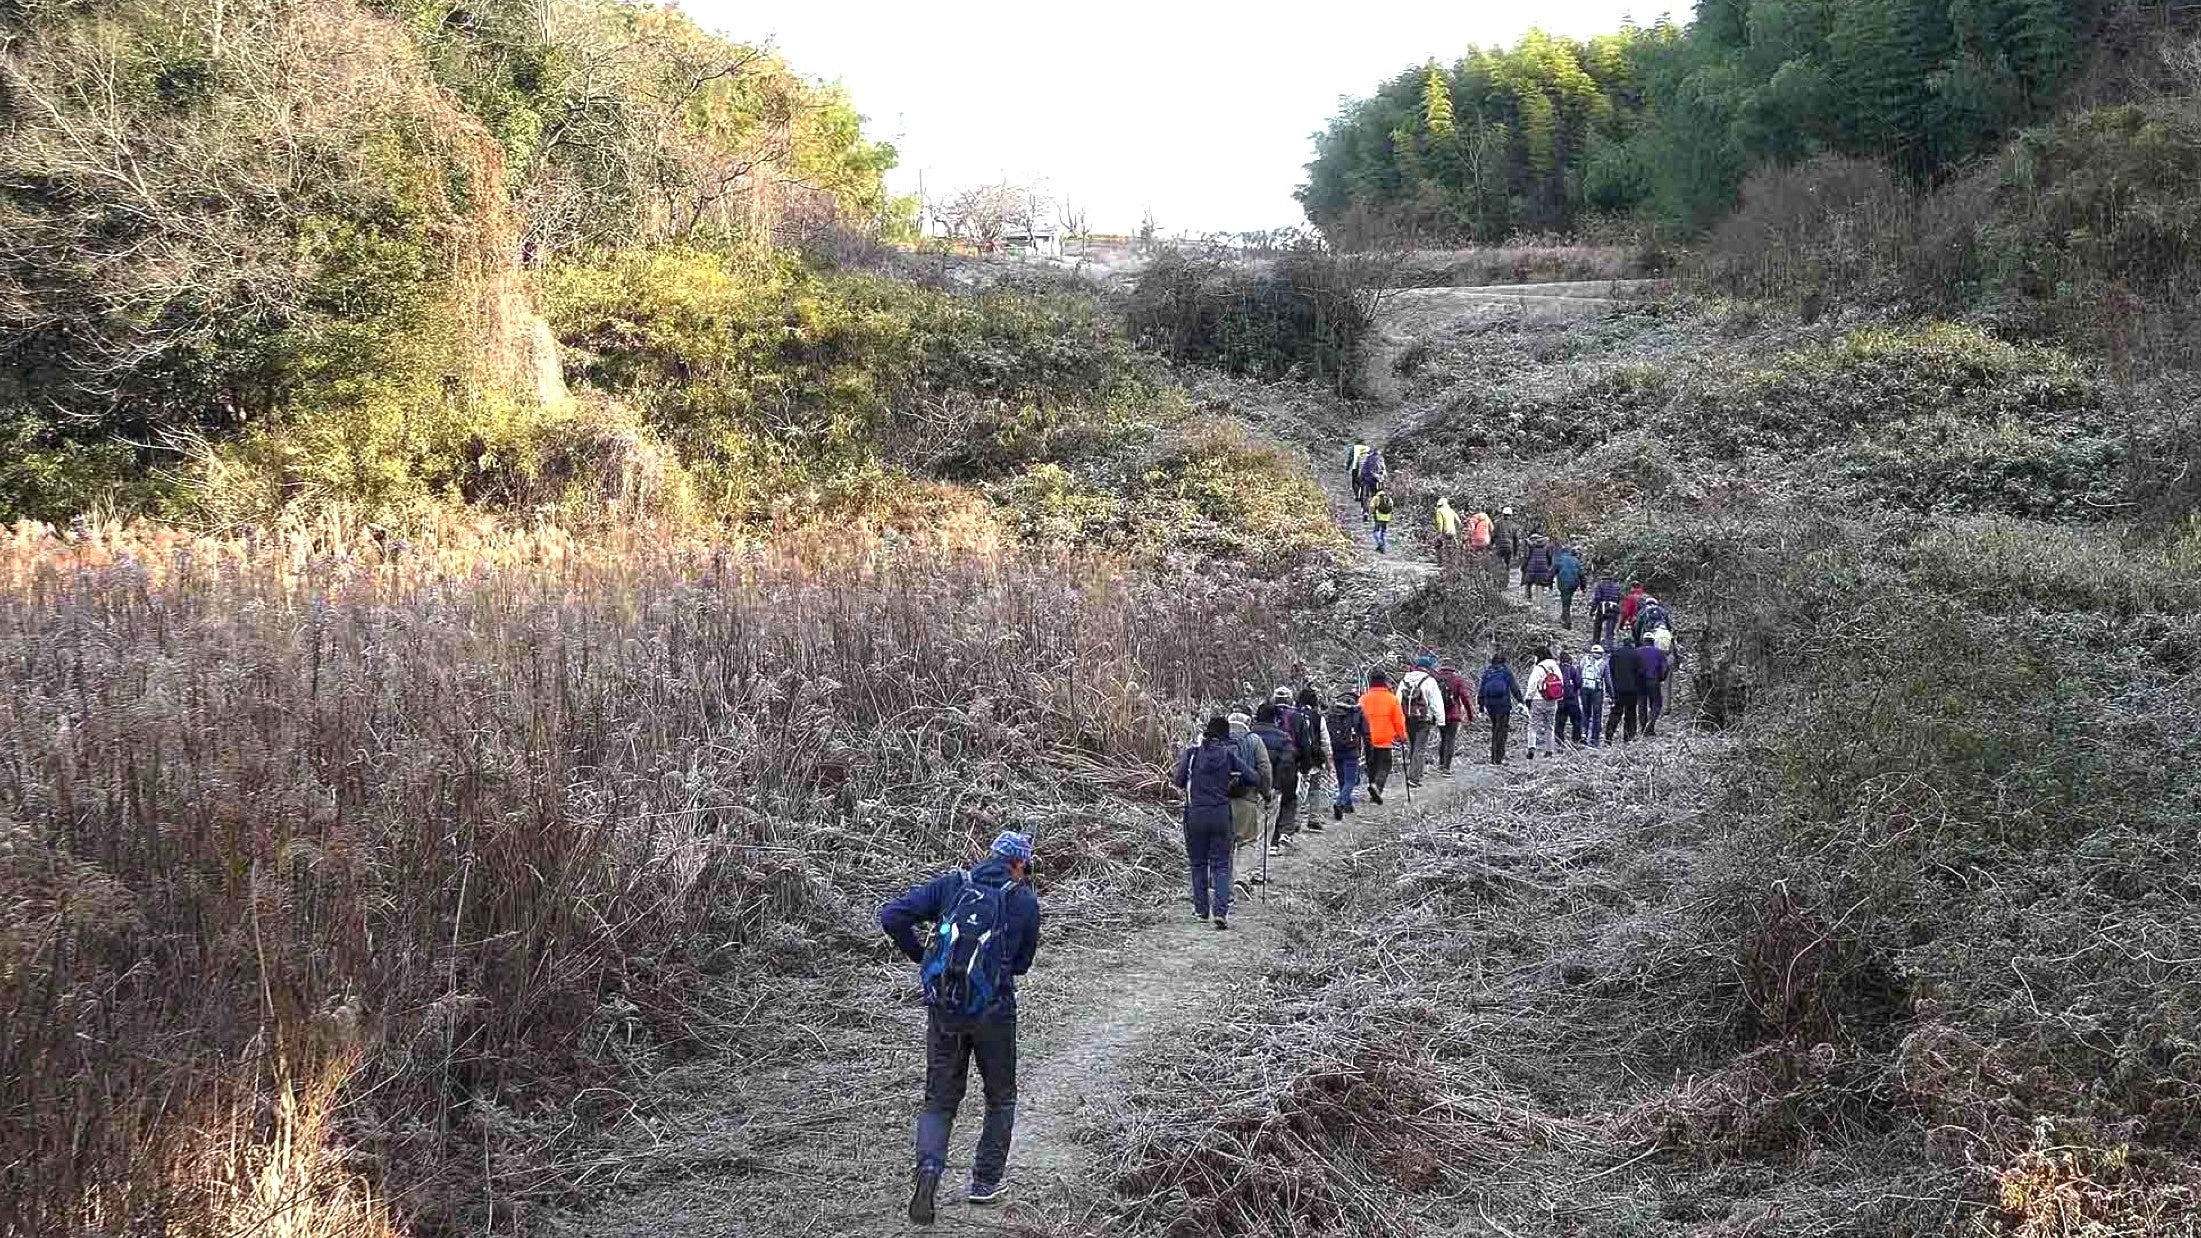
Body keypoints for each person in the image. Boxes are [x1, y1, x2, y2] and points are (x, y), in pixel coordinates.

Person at [882, 831, 1042, 1222]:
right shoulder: (1022, 899)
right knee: (1000, 1097)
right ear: (1018, 864)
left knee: (939, 1100)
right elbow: (1021, 964)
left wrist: (922, 957)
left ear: (990, 856)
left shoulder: (952, 884)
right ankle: (985, 1183)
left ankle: (929, 1171)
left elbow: (891, 916)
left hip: (946, 1011)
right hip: (994, 1012)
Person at [1172, 717, 1255, 930]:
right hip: (1220, 815)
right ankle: (1220, 912)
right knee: (1220, 865)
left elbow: (1178, 781)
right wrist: (1234, 782)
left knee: (1198, 864)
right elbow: (1252, 777)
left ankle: (1201, 910)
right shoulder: (1228, 755)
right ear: (1223, 737)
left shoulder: (1192, 755)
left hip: (1196, 815)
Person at [1226, 713, 1273, 884]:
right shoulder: (1254, 740)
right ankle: (1241, 880)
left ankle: (1218, 880)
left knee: (1223, 841)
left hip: (1217, 799)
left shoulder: (1214, 739)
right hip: (1246, 797)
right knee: (1246, 841)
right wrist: (1266, 794)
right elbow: (1264, 769)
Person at [1251, 703, 1299, 851]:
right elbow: (1287, 764)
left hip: (1248, 787)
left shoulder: (1248, 736)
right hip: (1271, 786)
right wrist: (1278, 786)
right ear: (1276, 719)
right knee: (1268, 823)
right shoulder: (1283, 738)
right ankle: (1268, 849)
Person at [1357, 670, 1407, 803]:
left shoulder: (1363, 699)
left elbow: (1357, 720)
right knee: (1385, 764)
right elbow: (1398, 720)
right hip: (1385, 738)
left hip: (1368, 739)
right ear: (1384, 682)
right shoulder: (1392, 699)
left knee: (1371, 764)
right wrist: (1402, 736)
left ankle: (1373, 784)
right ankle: (1377, 787)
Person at [1397, 655, 1446, 788]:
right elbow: (1436, 703)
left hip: (1408, 717)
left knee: (1413, 745)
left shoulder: (1404, 680)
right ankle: (1414, 777)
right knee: (1420, 747)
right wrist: (1441, 721)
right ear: (1428, 667)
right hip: (1424, 719)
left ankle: (1416, 771)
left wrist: (1399, 719)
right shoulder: (1430, 681)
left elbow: (1397, 701)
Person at [1292, 687, 1333, 833]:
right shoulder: (1317, 717)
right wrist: (1328, 760)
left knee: (1298, 789)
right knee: (1314, 787)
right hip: (1314, 757)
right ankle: (1314, 817)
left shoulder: (1293, 715)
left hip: (1296, 757)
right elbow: (1325, 741)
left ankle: (1295, 819)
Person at [1325, 690, 1368, 822]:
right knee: (1351, 780)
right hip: (1351, 750)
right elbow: (1366, 731)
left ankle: (1347, 804)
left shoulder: (1332, 713)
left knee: (1342, 779)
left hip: (1336, 749)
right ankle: (1340, 803)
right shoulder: (1357, 712)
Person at [1476, 652, 1524, 764]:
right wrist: (1521, 701)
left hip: (1490, 705)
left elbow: (1482, 689)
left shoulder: (1487, 672)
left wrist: (1481, 706)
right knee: (1501, 731)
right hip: (1503, 704)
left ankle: (1493, 757)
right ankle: (1498, 758)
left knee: (1495, 729)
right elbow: (1514, 687)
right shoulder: (1506, 672)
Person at [1434, 659, 1474, 776]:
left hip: (1439, 714)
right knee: (1450, 739)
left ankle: (1441, 764)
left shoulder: (1436, 679)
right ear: (1453, 667)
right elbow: (1465, 698)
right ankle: (1446, 768)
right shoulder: (1457, 679)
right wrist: (1469, 715)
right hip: (1453, 714)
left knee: (1443, 738)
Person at [1522, 646, 1564, 760]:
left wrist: (1528, 698)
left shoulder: (1538, 668)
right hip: (1552, 700)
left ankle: (1531, 747)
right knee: (1550, 726)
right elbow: (1561, 683)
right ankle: (1549, 750)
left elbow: (1532, 685)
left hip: (1538, 699)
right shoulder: (1555, 666)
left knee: (1533, 726)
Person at [1605, 636, 1645, 745]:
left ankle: (1608, 736)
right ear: (1632, 644)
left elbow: (1610, 671)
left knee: (1615, 712)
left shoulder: (1616, 654)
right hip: (1632, 689)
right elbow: (1640, 673)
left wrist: (1612, 687)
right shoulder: (1636, 655)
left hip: (1618, 689)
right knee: (1630, 713)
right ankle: (1628, 738)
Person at [1636, 634, 1669, 737]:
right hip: (1653, 680)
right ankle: (1650, 726)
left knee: (1642, 704)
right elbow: (1665, 667)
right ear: (1653, 641)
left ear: (1643, 640)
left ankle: (1643, 727)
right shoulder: (1659, 652)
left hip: (1640, 681)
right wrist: (1661, 678)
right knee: (1656, 703)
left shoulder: (1637, 652)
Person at [1579, 643, 1611, 748]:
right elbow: (1607, 680)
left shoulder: (1584, 660)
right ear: (1601, 653)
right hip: (1597, 691)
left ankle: (1583, 734)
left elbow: (1578, 674)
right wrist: (1611, 694)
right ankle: (1594, 739)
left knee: (1585, 713)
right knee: (1597, 715)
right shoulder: (1604, 663)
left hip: (1584, 689)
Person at [1557, 649, 1587, 748]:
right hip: (1572, 699)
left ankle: (1559, 741)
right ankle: (1576, 740)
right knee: (1576, 721)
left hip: (1560, 699)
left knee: (1560, 722)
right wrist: (1574, 689)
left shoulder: (1556, 669)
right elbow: (1579, 682)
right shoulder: (1572, 669)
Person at [1555, 545, 1586, 628]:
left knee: (1565, 600)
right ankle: (1564, 615)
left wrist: (1549, 582)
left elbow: (1553, 571)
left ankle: (1567, 622)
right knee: (1567, 598)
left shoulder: (1560, 559)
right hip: (1573, 583)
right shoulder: (1576, 560)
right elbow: (1582, 574)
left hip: (1563, 583)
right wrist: (1583, 587)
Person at [1590, 577, 1624, 648]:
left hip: (1603, 606)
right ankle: (1609, 645)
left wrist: (1592, 610)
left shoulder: (1600, 585)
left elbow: (1597, 598)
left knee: (1598, 624)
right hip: (1614, 607)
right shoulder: (1616, 586)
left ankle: (1596, 642)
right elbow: (1619, 598)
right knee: (1610, 627)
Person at [1521, 534, 1556, 602]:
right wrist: (1549, 568)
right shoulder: (1547, 544)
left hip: (1532, 567)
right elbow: (1550, 557)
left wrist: (1523, 567)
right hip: (1543, 567)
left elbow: (1526, 557)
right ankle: (1539, 605)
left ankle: (1527, 601)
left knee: (1528, 583)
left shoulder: (1529, 544)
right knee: (1539, 585)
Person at [1356, 446, 1387, 519]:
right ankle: (1375, 511)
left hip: (1366, 479)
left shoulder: (1368, 459)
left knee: (1365, 497)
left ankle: (1365, 512)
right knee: (1376, 496)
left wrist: (1361, 479)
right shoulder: (1380, 459)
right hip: (1376, 480)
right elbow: (1383, 471)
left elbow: (1363, 470)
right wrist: (1382, 478)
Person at [1432, 498, 1461, 568]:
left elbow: (1440, 523)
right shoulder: (1451, 510)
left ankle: (1440, 563)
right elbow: (1459, 521)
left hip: (1445, 531)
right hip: (1452, 531)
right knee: (1451, 547)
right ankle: (1452, 562)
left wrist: (1439, 532)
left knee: (1438, 546)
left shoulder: (1439, 511)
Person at [1492, 507, 1521, 573]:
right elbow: (1516, 540)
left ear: (1503, 514)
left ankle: (1498, 578)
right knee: (1507, 564)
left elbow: (1493, 535)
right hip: (1509, 547)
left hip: (1499, 546)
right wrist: (1515, 553)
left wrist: (1491, 545)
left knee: (1498, 564)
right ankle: (1506, 576)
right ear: (1510, 515)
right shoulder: (1514, 525)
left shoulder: (1497, 524)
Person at [1347, 440, 1371, 511]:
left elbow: (1350, 458)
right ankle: (1364, 498)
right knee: (1365, 484)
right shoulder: (1368, 448)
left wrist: (1348, 466)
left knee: (1355, 481)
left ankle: (1357, 495)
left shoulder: (1354, 448)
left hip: (1356, 467)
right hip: (1367, 470)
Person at [1370, 488, 1394, 554]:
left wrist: (1371, 513)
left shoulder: (1376, 498)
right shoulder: (1389, 498)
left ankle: (1380, 543)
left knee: (1375, 532)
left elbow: (1372, 506)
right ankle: (1382, 547)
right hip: (1387, 518)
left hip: (1378, 517)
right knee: (1383, 532)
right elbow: (1391, 508)